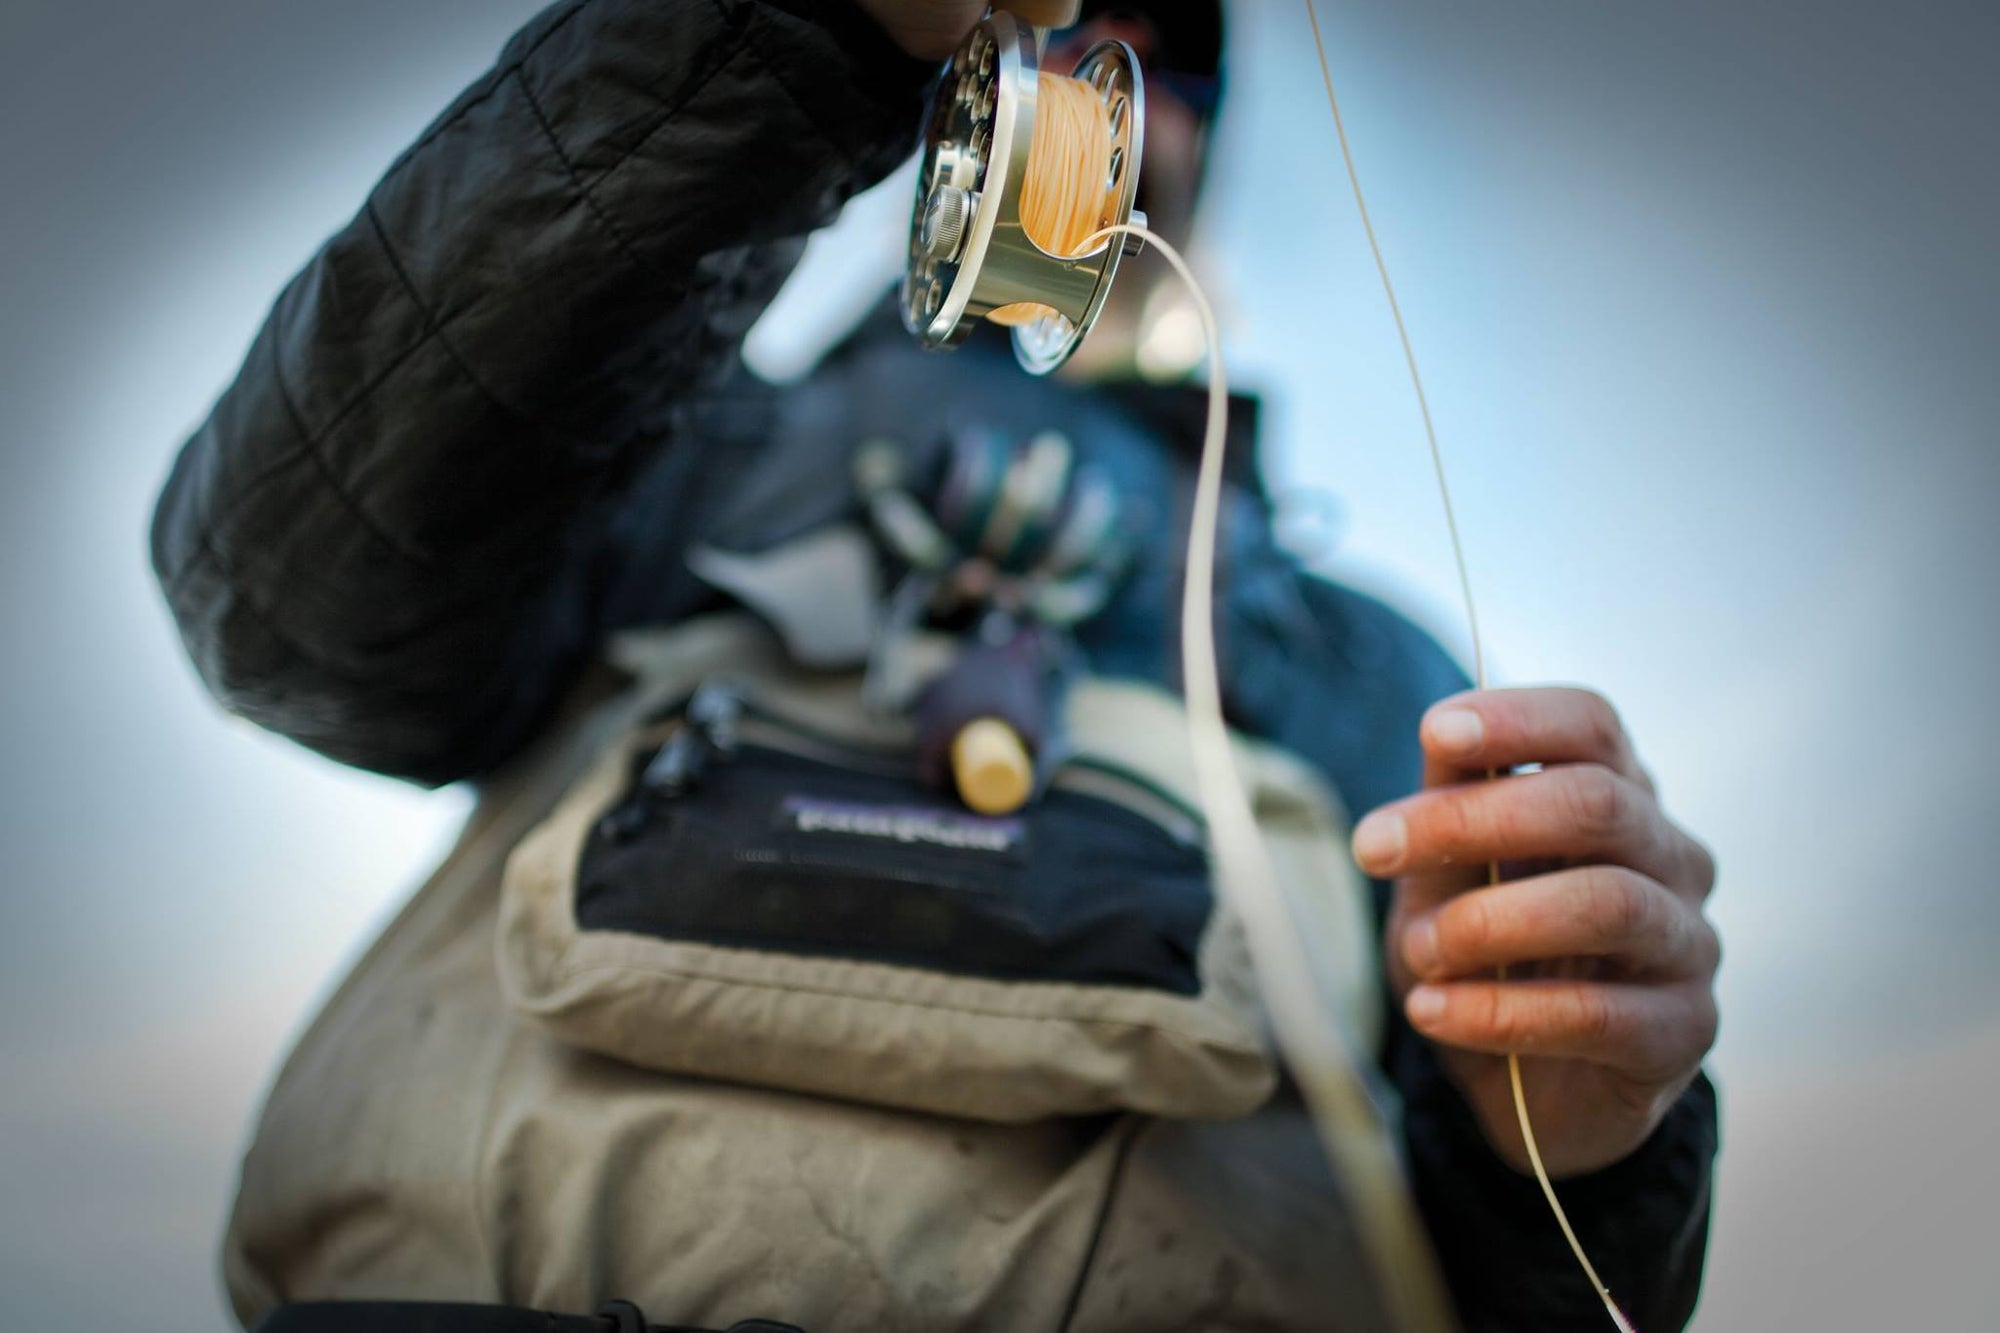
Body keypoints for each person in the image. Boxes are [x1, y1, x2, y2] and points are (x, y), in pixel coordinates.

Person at [151, 1, 1721, 1329]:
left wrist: (1584, 1146)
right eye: (1067, 25)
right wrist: (792, 27)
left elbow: (1542, 1291)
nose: (1108, 66)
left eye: (1165, 57)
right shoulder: (657, 451)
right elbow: (290, 609)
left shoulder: (1375, 661)